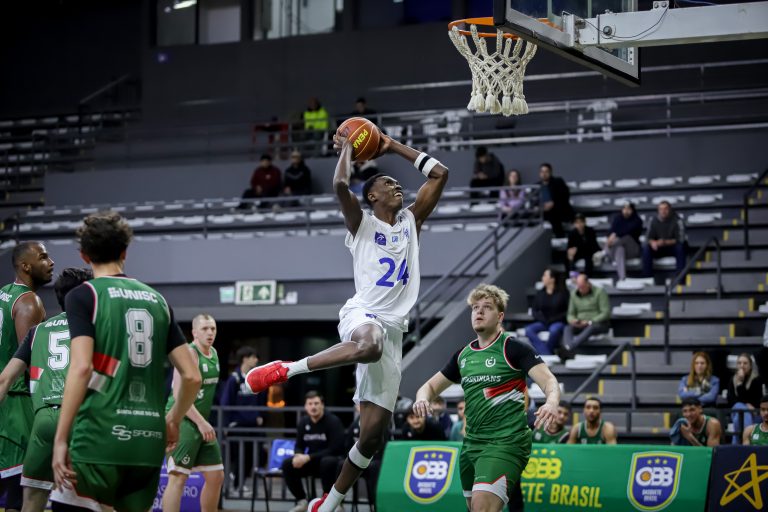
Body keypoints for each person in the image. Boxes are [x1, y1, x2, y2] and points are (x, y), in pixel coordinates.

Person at [246, 132, 448, 512]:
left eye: (397, 182)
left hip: (393, 329)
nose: (397, 186)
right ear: (372, 196)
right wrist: (348, 150)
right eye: (389, 183)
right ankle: (286, 369)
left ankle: (328, 504)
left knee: (372, 437)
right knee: (369, 346)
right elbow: (340, 185)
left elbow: (440, 173)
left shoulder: (411, 221)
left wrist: (391, 145)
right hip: (363, 314)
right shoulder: (362, 224)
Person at [50, 211, 202, 511]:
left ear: (84, 256)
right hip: (147, 442)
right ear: (125, 252)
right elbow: (192, 375)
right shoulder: (158, 300)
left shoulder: (84, 295)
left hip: (98, 438)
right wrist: (173, 419)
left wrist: (61, 439)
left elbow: (81, 367)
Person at [413, 284, 561, 512]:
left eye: (487, 307)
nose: (479, 311)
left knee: (481, 508)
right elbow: (430, 387)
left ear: (500, 316)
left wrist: (551, 403)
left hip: (506, 442)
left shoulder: (513, 349)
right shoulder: (463, 355)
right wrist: (422, 398)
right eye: (475, 308)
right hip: (471, 444)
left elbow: (549, 381)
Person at [0, 268, 89, 512]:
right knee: (95, 500)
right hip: (81, 420)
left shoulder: (38, 331)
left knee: (31, 499)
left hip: (43, 422)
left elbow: (4, 380)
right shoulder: (94, 328)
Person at [0, 241, 54, 512]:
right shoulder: (29, 302)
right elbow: (32, 364)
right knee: (20, 498)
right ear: (25, 266)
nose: (51, 262)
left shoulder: (3, 294)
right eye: (43, 257)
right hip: (17, 406)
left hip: (4, 400)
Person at [162, 314, 224, 512]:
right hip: (180, 418)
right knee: (178, 477)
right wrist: (201, 422)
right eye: (205, 329)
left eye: (213, 328)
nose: (210, 333)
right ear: (194, 332)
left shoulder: (214, 353)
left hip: (200, 421)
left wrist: (202, 422)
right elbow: (179, 395)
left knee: (216, 476)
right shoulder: (189, 353)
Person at [282, 392, 344, 512]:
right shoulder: (303, 422)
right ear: (305, 407)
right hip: (313, 461)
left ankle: (332, 503)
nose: (313, 407)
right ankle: (302, 501)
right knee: (288, 464)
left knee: (327, 462)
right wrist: (298, 455)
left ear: (322, 405)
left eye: (316, 403)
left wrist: (308, 457)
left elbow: (335, 449)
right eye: (310, 404)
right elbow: (298, 445)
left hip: (333, 461)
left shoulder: (333, 421)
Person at [220, 346, 265, 489]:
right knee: (240, 456)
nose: (256, 360)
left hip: (253, 424)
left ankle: (240, 482)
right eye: (253, 357)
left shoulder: (255, 378)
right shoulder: (234, 379)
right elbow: (226, 403)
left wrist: (259, 415)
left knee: (254, 455)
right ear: (245, 359)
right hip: (238, 425)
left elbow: (260, 399)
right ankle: (237, 485)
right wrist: (226, 425)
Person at [562, 273, 610, 355]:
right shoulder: (574, 294)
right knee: (567, 328)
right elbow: (570, 314)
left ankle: (569, 347)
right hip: (580, 323)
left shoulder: (600, 292)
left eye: (582, 287)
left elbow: (605, 313)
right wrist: (573, 320)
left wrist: (589, 321)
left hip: (597, 323)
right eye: (579, 287)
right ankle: (569, 346)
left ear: (588, 283)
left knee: (591, 327)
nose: (580, 290)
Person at [525, 268, 569, 356]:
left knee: (554, 330)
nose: (542, 278)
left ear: (552, 279)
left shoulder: (563, 293)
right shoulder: (540, 293)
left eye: (545, 276)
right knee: (528, 330)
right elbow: (534, 310)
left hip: (558, 321)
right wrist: (541, 319)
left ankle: (545, 355)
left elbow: (567, 312)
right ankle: (547, 354)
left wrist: (553, 319)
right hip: (544, 322)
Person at [642, 200, 686, 277]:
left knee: (680, 247)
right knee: (646, 248)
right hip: (658, 248)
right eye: (661, 209)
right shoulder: (653, 221)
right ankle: (647, 277)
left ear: (670, 210)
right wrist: (653, 242)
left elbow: (680, 239)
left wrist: (664, 242)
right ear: (658, 211)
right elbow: (648, 238)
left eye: (666, 209)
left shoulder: (677, 220)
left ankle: (680, 278)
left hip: (671, 248)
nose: (663, 211)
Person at [726, 353, 765, 437]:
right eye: (739, 363)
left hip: (753, 413)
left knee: (738, 419)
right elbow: (731, 401)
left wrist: (740, 384)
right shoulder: (733, 379)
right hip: (736, 411)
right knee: (739, 406)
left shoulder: (756, 379)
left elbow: (757, 401)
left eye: (745, 363)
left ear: (750, 366)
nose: (742, 366)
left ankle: (739, 442)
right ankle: (748, 437)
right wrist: (740, 381)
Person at [604, 201, 643, 281]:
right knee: (620, 249)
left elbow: (629, 231)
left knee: (626, 237)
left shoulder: (637, 220)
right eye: (624, 209)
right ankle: (622, 278)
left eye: (628, 209)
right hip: (619, 248)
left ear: (632, 210)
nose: (626, 211)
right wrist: (611, 236)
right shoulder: (618, 219)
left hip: (633, 250)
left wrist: (615, 235)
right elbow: (610, 231)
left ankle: (605, 252)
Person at [537, 163, 574, 238]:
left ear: (550, 172)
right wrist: (541, 207)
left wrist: (553, 203)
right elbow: (534, 201)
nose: (544, 174)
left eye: (546, 171)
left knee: (553, 214)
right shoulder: (536, 186)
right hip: (543, 211)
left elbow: (565, 196)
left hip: (558, 209)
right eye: (542, 172)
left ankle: (559, 236)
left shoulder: (558, 182)